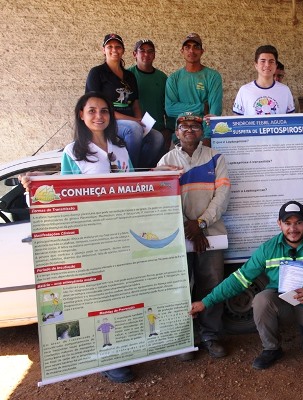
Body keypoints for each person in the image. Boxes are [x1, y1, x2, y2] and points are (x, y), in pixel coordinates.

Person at [22, 92, 134, 382]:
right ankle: (107, 359)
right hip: (92, 236)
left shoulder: (120, 148)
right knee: (98, 298)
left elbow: (135, 185)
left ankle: (122, 350)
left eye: (105, 111)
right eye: (92, 111)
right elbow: (62, 194)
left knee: (120, 295)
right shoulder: (73, 151)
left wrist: (162, 175)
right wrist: (33, 186)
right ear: (81, 115)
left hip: (119, 233)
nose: (99, 116)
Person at [189, 200, 303, 370]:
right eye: (287, 223)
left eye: (298, 223)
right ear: (279, 224)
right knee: (261, 299)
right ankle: (271, 348)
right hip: (282, 302)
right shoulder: (268, 249)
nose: (293, 229)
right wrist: (205, 302)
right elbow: (238, 279)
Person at [156, 111, 230, 360]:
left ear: (202, 132)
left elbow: (222, 196)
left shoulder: (215, 158)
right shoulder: (165, 161)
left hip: (211, 234)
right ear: (177, 132)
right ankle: (185, 338)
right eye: (183, 126)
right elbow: (161, 201)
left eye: (195, 126)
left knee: (212, 285)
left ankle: (210, 335)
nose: (189, 130)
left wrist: (200, 223)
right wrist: (188, 226)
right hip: (178, 236)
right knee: (181, 287)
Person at [85, 33, 164, 170]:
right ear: (104, 50)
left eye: (118, 47)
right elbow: (95, 106)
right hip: (107, 121)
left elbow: (135, 102)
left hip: (130, 120)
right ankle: (128, 171)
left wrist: (139, 118)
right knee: (133, 129)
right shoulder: (97, 73)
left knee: (157, 137)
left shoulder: (129, 75)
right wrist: (133, 121)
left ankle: (141, 170)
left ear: (123, 50)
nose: (114, 50)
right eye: (110, 46)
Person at [165, 33, 223, 147]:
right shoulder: (174, 78)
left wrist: (207, 138)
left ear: (202, 51)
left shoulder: (213, 76)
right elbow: (170, 109)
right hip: (181, 136)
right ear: (182, 51)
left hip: (204, 136)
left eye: (196, 47)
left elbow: (214, 112)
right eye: (187, 47)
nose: (192, 51)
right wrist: (202, 107)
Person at [128, 39, 174, 154]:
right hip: (132, 132)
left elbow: (169, 105)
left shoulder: (162, 78)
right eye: (142, 51)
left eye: (150, 51)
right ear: (135, 54)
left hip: (158, 132)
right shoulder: (127, 76)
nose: (146, 54)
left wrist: (168, 130)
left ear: (154, 55)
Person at [232, 45, 295, 116]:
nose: (267, 65)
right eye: (263, 61)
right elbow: (236, 121)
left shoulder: (285, 90)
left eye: (271, 61)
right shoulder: (244, 91)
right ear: (256, 65)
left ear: (276, 65)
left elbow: (291, 121)